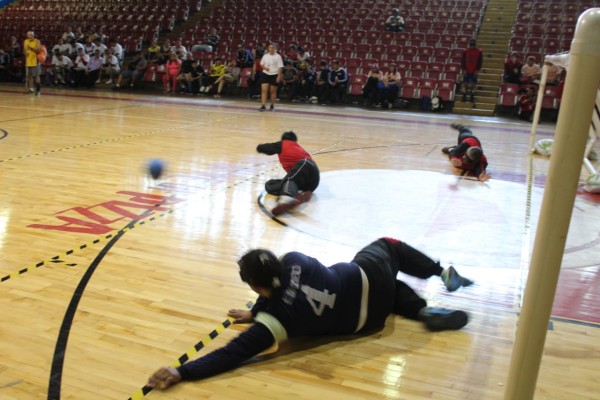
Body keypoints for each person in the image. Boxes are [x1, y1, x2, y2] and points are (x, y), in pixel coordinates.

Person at [147, 236, 473, 389]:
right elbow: (278, 288)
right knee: (387, 246)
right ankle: (438, 275)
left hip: (366, 321)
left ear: (257, 289)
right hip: (369, 281)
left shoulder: (274, 321)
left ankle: (421, 310)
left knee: (388, 286)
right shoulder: (294, 258)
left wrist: (183, 371)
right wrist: (259, 310)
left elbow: (235, 353)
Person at [256, 131, 320, 215]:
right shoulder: (299, 148)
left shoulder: (284, 143)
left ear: (283, 139)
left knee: (290, 179)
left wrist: (259, 147)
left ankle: (285, 200)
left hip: (306, 164)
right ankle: (302, 195)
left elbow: (264, 148)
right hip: (312, 182)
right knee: (271, 185)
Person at [259, 43, 284, 111]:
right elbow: (261, 64)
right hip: (265, 74)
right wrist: (265, 67)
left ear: (275, 49)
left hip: (274, 74)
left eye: (273, 48)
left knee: (272, 91)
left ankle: (272, 106)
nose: (271, 49)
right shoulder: (265, 56)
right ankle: (263, 105)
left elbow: (280, 67)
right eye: (270, 47)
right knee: (264, 90)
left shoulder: (278, 56)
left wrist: (279, 76)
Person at [461, 38, 482, 103]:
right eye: (471, 45)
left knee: (473, 84)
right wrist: (463, 69)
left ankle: (472, 97)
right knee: (465, 84)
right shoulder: (465, 51)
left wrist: (477, 70)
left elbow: (480, 62)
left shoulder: (479, 52)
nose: (472, 46)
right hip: (466, 70)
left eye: (473, 45)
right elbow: (463, 61)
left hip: (474, 70)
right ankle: (464, 96)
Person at [24, 31, 42, 96]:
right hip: (28, 61)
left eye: (31, 35)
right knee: (29, 76)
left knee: (36, 76)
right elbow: (24, 50)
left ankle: (38, 90)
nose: (30, 36)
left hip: (35, 61)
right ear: (27, 35)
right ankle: (31, 89)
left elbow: (39, 50)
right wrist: (25, 53)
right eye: (29, 35)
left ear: (33, 35)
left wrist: (31, 48)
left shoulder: (37, 41)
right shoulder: (25, 41)